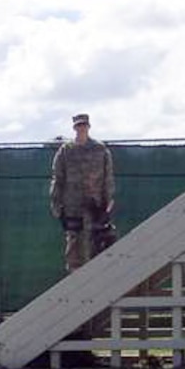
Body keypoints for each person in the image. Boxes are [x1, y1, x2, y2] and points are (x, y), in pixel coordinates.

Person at [49, 114, 116, 274]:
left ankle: (98, 274)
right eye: (79, 126)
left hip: (96, 203)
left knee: (99, 238)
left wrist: (109, 200)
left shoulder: (100, 149)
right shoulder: (66, 150)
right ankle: (74, 275)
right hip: (73, 205)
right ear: (74, 128)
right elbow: (58, 177)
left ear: (88, 126)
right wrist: (56, 204)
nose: (81, 128)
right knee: (74, 241)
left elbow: (108, 175)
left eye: (84, 125)